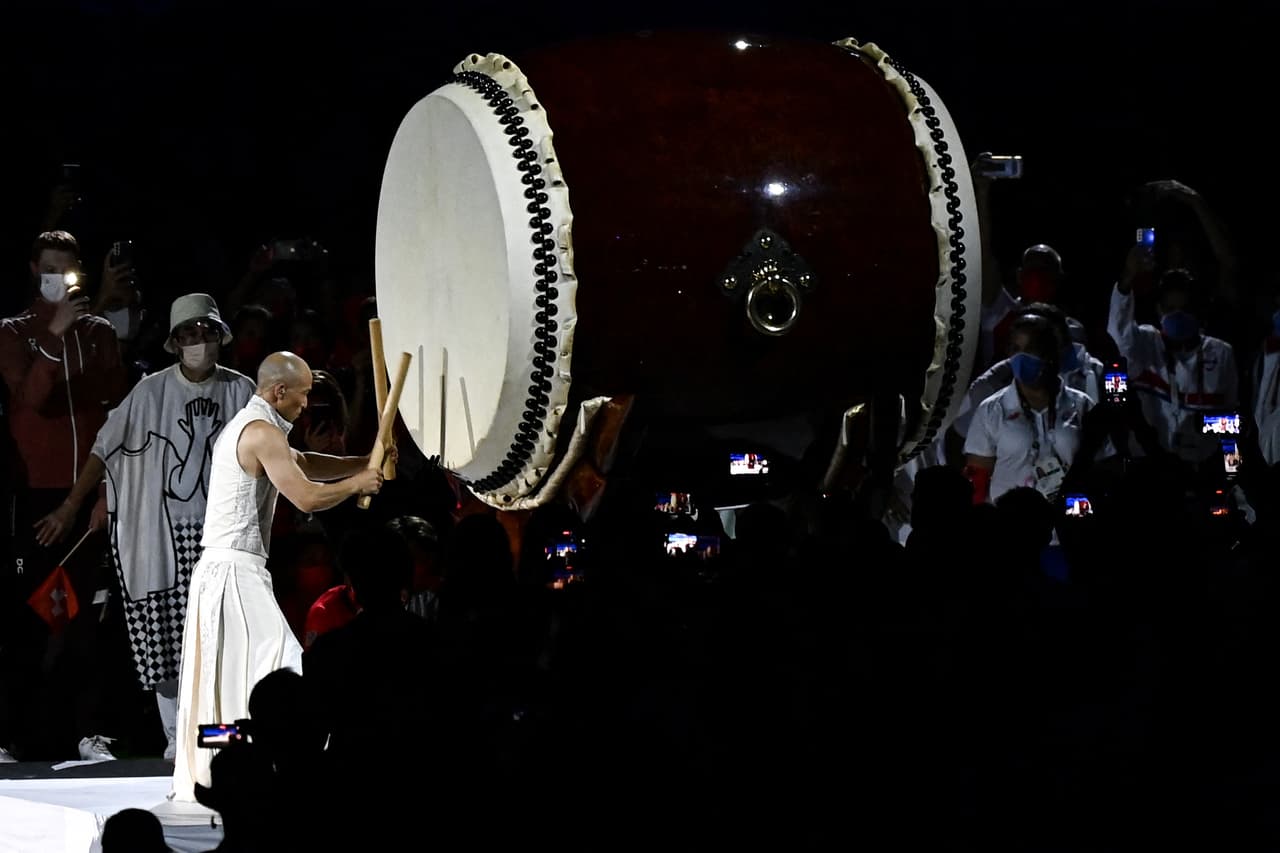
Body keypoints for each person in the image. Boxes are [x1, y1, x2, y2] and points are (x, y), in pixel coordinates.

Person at [34, 294, 255, 760]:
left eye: (206, 332)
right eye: (189, 333)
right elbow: (104, 446)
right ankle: (178, 737)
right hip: (163, 537)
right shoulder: (150, 392)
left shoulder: (241, 390)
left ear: (220, 337)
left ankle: (217, 737)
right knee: (167, 637)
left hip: (222, 537)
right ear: (175, 341)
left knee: (221, 640)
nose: (198, 341)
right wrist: (72, 506)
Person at [170, 351, 385, 802]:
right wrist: (358, 484)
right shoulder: (261, 432)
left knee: (236, 681)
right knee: (282, 668)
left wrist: (364, 461)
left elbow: (303, 462)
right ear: (279, 390)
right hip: (233, 573)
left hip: (235, 571)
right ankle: (240, 768)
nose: (307, 405)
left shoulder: (261, 428)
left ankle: (233, 768)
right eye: (303, 395)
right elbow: (305, 497)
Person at [0, 230, 127, 762]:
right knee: (29, 618)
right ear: (34, 270)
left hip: (89, 495)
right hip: (36, 498)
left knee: (87, 621)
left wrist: (106, 493)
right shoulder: (15, 331)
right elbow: (31, 398)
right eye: (49, 269)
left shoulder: (99, 332)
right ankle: (13, 736)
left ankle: (89, 732)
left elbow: (118, 417)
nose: (58, 278)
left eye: (67, 269)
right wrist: (53, 336)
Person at [1108, 259, 1238, 463]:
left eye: (1185, 309)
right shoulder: (1144, 344)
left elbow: (1234, 423)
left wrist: (1231, 469)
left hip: (1201, 469)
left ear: (1198, 311)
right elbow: (1118, 334)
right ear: (1158, 310)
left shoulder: (1221, 353)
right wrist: (1127, 280)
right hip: (1149, 468)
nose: (1178, 315)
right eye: (1170, 309)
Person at [963, 314, 1101, 504]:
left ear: (1050, 353)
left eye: (1031, 349)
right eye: (1016, 349)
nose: (1022, 356)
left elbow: (1101, 466)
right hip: (1011, 518)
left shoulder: (1082, 405)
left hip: (1070, 517)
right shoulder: (991, 410)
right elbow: (977, 481)